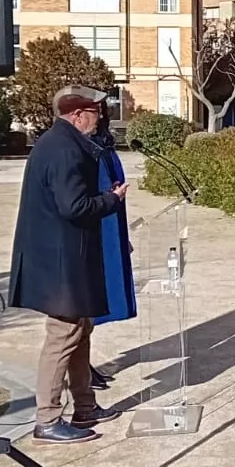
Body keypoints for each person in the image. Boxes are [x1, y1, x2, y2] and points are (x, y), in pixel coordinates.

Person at [9, 85, 126, 444]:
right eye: (96, 114)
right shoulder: (64, 149)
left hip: (65, 257)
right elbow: (74, 207)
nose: (100, 120)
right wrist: (111, 199)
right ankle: (47, 418)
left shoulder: (60, 142)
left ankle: (85, 406)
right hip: (60, 262)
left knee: (80, 329)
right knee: (62, 336)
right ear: (78, 115)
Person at [89, 109, 135, 390]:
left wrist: (121, 236)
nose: (101, 116)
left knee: (97, 298)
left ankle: (83, 364)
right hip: (92, 233)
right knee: (86, 303)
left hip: (109, 225)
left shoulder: (103, 145)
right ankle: (79, 367)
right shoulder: (81, 150)